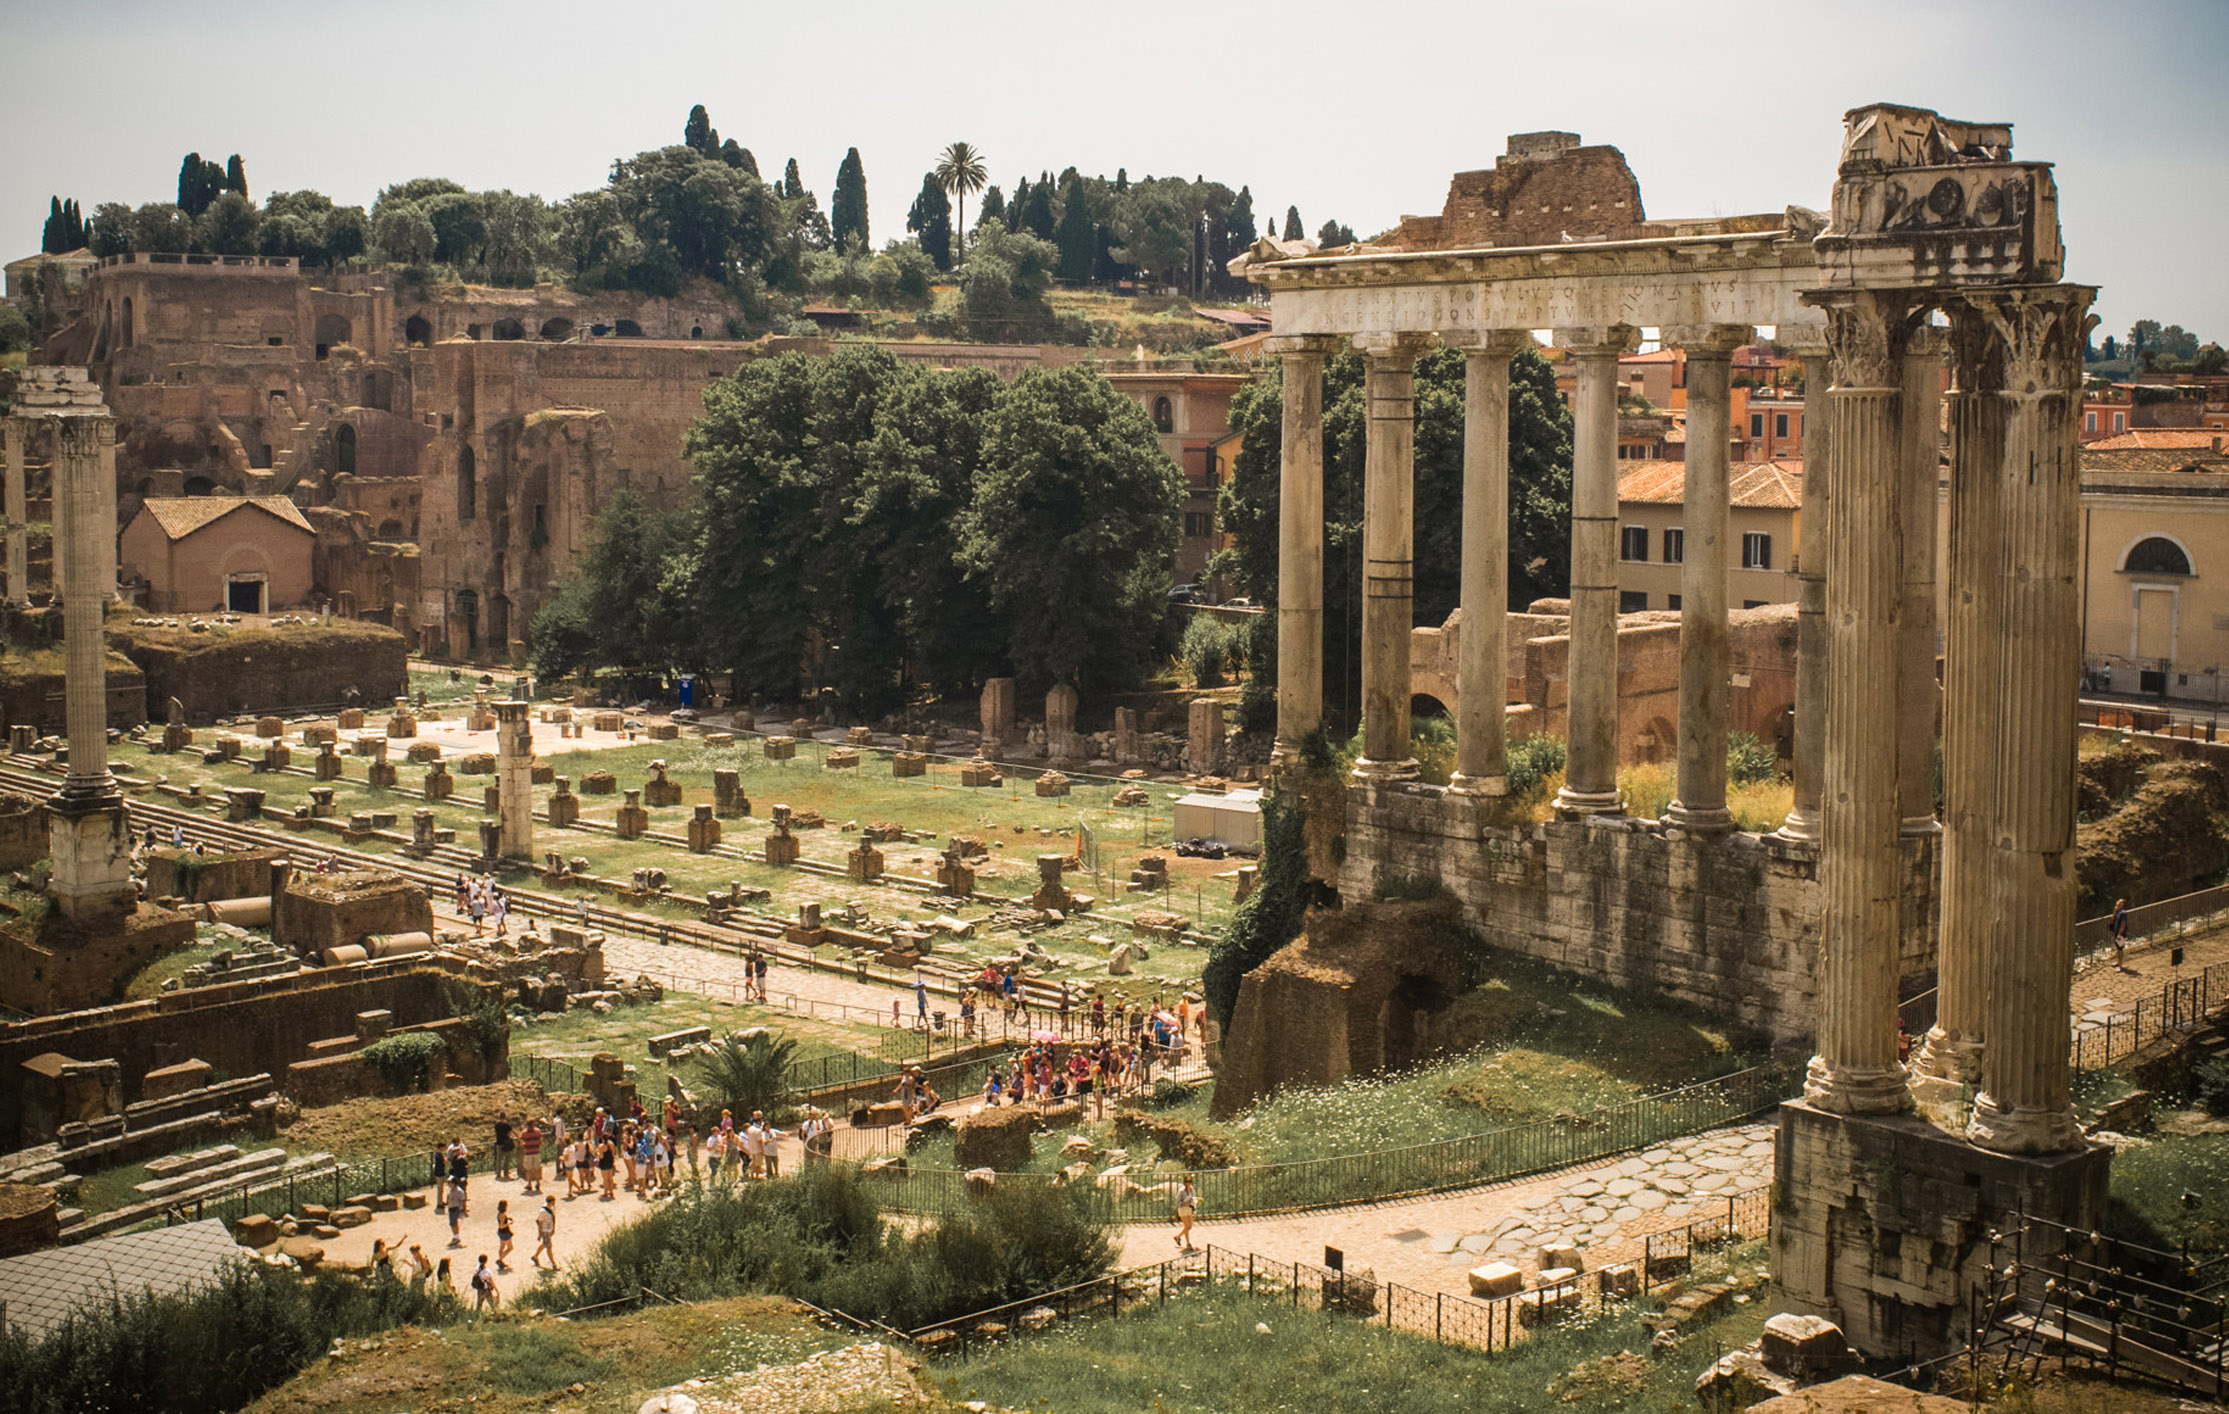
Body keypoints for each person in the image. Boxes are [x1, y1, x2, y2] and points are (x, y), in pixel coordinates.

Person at [531, 1196, 557, 1269]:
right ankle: (554, 1264)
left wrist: (553, 1228)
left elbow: (554, 1217)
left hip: (549, 1229)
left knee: (545, 1244)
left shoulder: (553, 1208)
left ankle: (535, 1256)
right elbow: (540, 1222)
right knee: (549, 1247)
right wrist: (539, 1234)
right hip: (545, 1230)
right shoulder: (543, 1211)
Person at [518, 1119, 543, 1195]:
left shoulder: (524, 1133)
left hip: (528, 1152)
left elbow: (521, 1144)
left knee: (528, 1169)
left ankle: (529, 1184)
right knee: (537, 1168)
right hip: (536, 1151)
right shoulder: (538, 1131)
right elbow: (541, 1141)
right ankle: (538, 1183)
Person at [1174, 1175, 1199, 1252]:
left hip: (1189, 1208)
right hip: (1183, 1209)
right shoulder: (1181, 1191)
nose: (1188, 1183)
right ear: (1184, 1182)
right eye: (1187, 1181)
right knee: (1187, 1226)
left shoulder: (1191, 1189)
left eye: (1190, 1181)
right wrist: (1186, 1203)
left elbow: (1191, 1198)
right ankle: (1187, 1242)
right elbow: (1178, 1202)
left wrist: (1195, 1200)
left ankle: (1178, 1237)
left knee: (1189, 1226)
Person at [445, 1175, 467, 1247]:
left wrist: (464, 1210)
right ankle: (455, 1236)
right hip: (451, 1207)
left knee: (454, 1223)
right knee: (452, 1223)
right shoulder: (450, 1190)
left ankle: (456, 1237)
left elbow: (463, 1200)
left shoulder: (459, 1191)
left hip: (456, 1208)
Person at [492, 1112, 514, 1181]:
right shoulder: (507, 1125)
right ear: (505, 1117)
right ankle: (506, 1172)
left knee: (499, 1159)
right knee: (506, 1159)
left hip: (499, 1143)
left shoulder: (496, 1125)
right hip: (506, 1143)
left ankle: (498, 1173)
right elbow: (512, 1131)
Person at [2111, 896, 2132, 969]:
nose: (2116, 905)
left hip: (2121, 933)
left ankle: (2120, 965)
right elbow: (2113, 918)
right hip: (2116, 932)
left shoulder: (2123, 913)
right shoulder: (2118, 912)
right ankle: (2118, 962)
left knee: (2120, 949)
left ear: (2122, 904)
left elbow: (2123, 924)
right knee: (2118, 948)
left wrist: (2120, 934)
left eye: (2118, 904)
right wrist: (2114, 911)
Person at [495, 1199, 515, 1272]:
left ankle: (501, 1261)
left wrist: (508, 1218)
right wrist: (509, 1223)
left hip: (501, 1233)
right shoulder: (502, 1214)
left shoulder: (499, 1213)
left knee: (502, 1247)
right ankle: (500, 1260)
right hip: (505, 1232)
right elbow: (502, 1226)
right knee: (510, 1248)